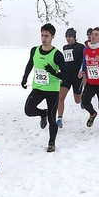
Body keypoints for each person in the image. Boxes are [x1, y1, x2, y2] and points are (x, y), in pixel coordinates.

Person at [21, 23, 67, 152]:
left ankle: (51, 142)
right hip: (38, 88)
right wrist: (24, 78)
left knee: (53, 119)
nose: (44, 38)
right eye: (42, 35)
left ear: (52, 36)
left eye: (47, 36)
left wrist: (53, 72)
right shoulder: (34, 50)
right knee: (28, 110)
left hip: (52, 90)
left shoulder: (57, 54)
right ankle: (43, 113)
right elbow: (30, 64)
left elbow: (65, 75)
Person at [56, 28, 85, 128]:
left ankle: (82, 100)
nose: (68, 39)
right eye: (67, 37)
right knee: (60, 97)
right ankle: (59, 118)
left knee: (77, 100)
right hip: (66, 76)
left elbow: (84, 61)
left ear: (74, 37)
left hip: (77, 76)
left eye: (70, 37)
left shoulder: (80, 47)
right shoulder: (65, 48)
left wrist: (82, 71)